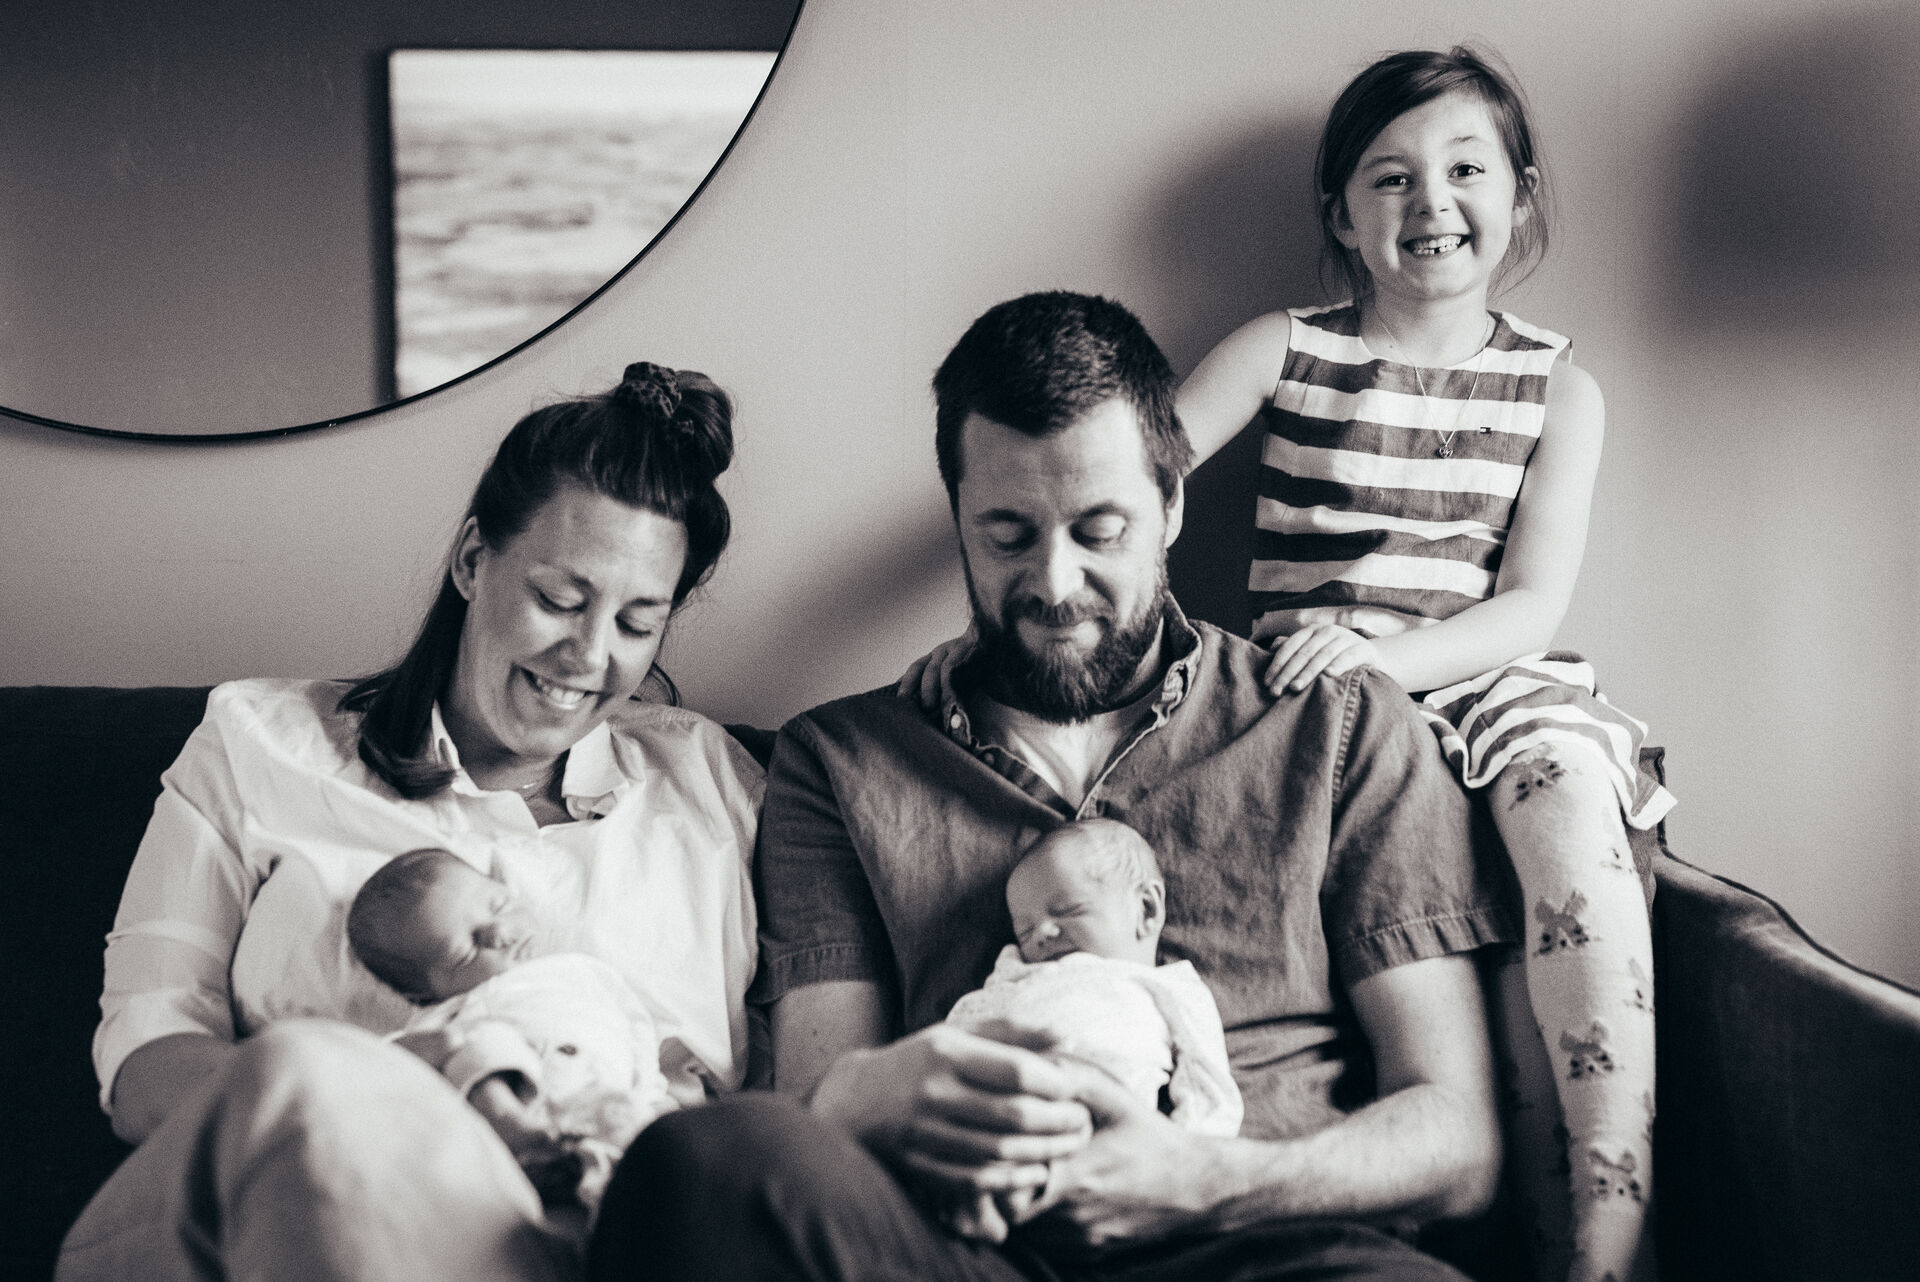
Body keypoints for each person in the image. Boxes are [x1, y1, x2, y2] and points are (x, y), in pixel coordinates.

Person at [906, 50, 1670, 1282]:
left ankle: (1609, 1229)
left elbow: (1531, 605)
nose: (1431, 201)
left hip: (1479, 679)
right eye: (1391, 177)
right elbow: (1128, 486)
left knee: (1571, 823)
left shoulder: (1558, 389)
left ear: (1522, 196)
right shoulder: (1287, 348)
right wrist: (1020, 617)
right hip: (1311, 705)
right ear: (1342, 216)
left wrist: (1387, 658)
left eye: (1466, 170)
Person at [590, 291, 1517, 1282]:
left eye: (1099, 530)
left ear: (1172, 505)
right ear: (958, 521)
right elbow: (817, 1106)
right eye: (1007, 535)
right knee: (704, 1162)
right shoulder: (844, 761)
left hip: (1273, 1248)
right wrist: (872, 1094)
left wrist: (1208, 1179)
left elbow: (1457, 1140)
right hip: (971, 1255)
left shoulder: (1333, 725)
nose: (1056, 583)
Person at [59, 362, 762, 1282]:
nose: (588, 656)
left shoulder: (711, 786)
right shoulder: (257, 745)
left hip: (610, 1236)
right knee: (310, 1073)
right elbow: (145, 1056)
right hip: (288, 1205)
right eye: (559, 600)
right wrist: (394, 1099)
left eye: (637, 623)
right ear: (472, 560)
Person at [943, 818, 1242, 1244]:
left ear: (1146, 909)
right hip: (992, 1102)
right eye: (1024, 930)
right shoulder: (1015, 973)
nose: (1042, 934)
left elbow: (1208, 1082)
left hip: (1098, 1123)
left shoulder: (1170, 987)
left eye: (1068, 911)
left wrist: (1187, 1159)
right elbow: (965, 1025)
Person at [347, 848, 682, 1228]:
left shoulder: (583, 973)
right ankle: (511, 1124)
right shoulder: (454, 1011)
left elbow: (633, 1035)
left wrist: (653, 1096)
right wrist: (445, 1045)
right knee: (476, 1044)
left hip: (616, 1113)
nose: (499, 934)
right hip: (534, 1119)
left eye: (499, 905)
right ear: (423, 995)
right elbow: (389, 1063)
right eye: (465, 951)